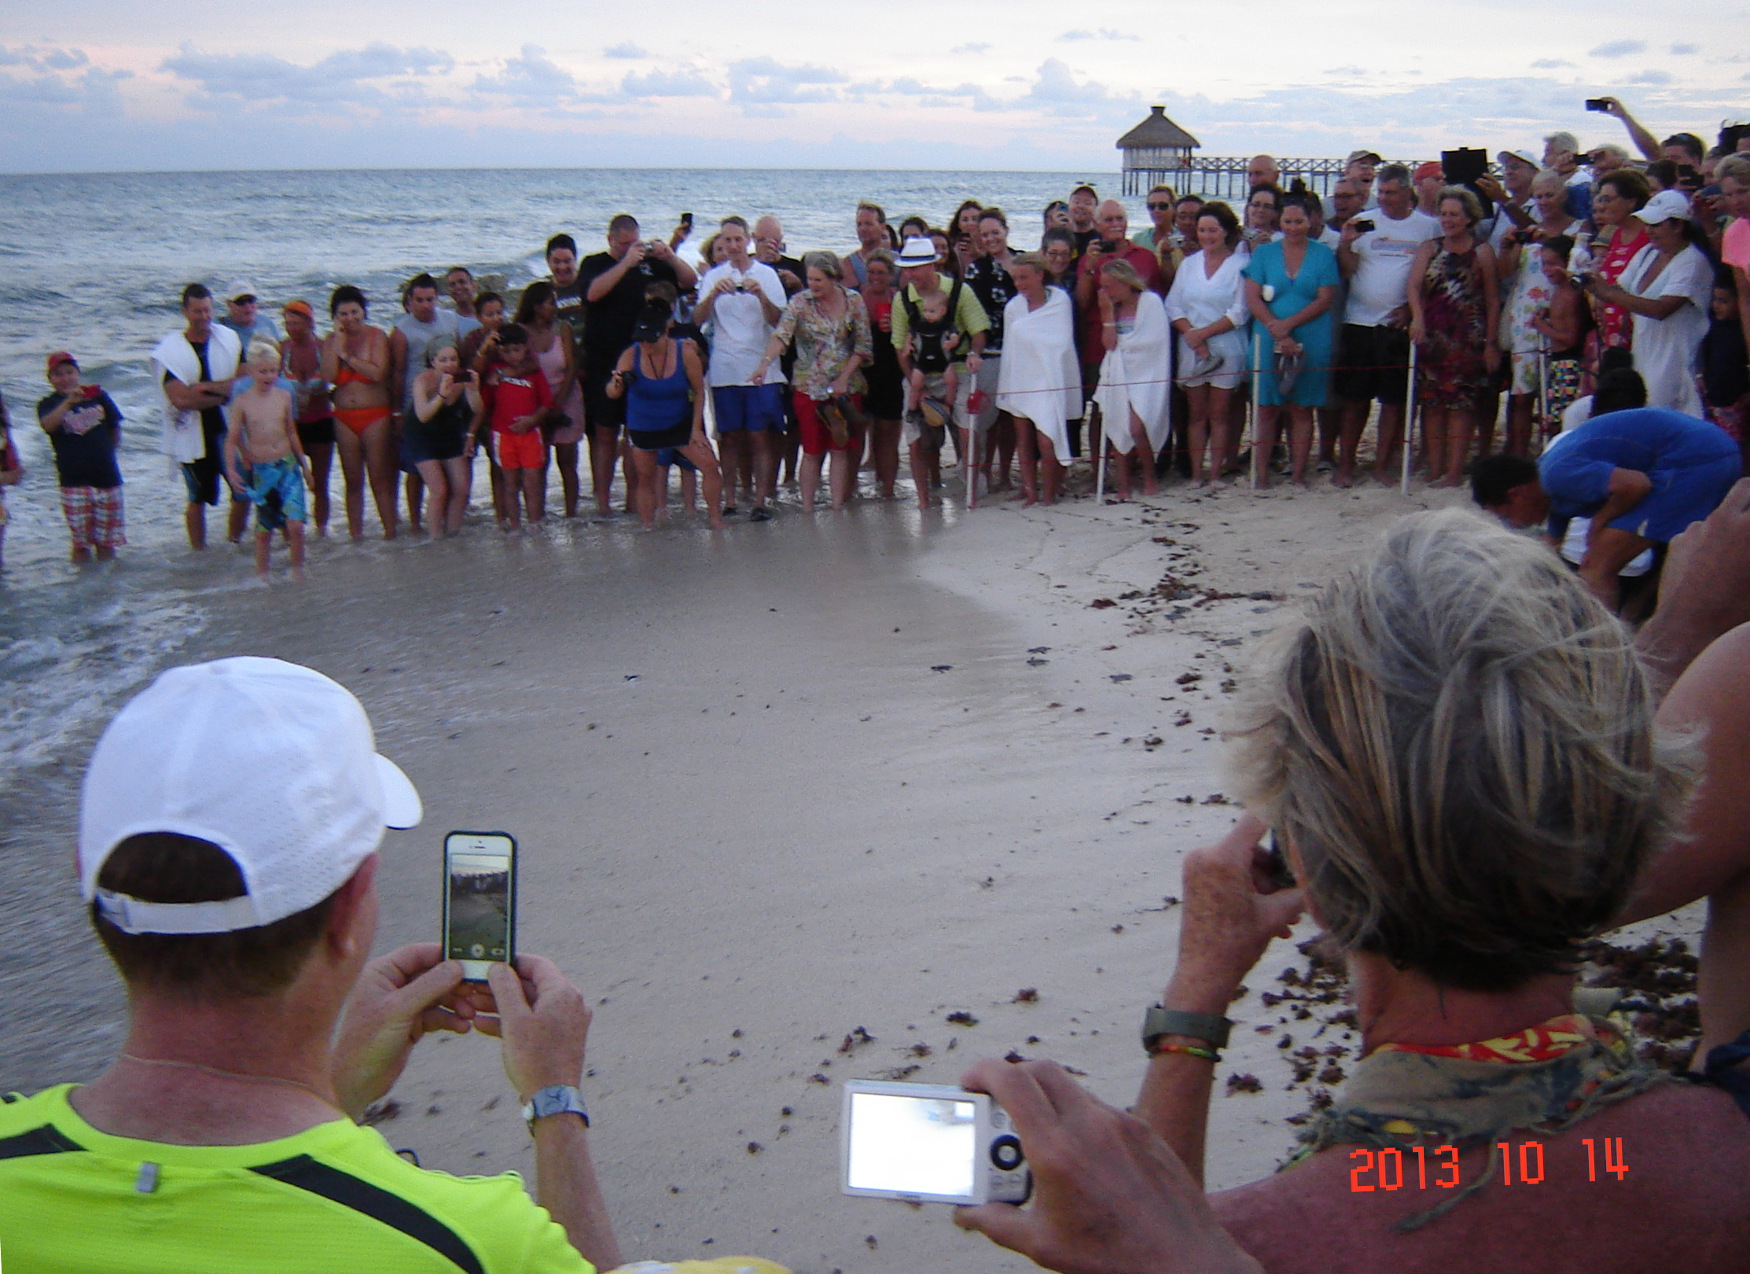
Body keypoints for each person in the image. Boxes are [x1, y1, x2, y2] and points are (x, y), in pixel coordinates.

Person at [0, 655, 621, 1272]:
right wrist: (554, 1099)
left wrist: (336, 1089)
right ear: (349, 908)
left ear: (85, 880)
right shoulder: (471, 1245)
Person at [1540, 401, 1741, 607]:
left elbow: (1636, 485)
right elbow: (1549, 547)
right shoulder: (1549, 490)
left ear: (1520, 493)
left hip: (1694, 460)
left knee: (1596, 565)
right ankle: (1632, 618)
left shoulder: (1554, 475)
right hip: (1705, 449)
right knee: (1647, 556)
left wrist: (1600, 522)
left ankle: (1603, 628)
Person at [579, 215, 696, 516]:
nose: (630, 248)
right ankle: (603, 503)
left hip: (644, 357)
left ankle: (634, 502)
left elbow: (688, 282)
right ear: (610, 240)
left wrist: (670, 256)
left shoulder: (650, 266)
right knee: (605, 433)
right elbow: (592, 294)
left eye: (634, 243)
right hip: (603, 359)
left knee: (636, 435)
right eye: (623, 244)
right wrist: (625, 263)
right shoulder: (595, 263)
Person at [1334, 164, 1440, 484]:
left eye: (1391, 192)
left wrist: (1412, 310)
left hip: (1397, 326)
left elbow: (1434, 277)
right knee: (1354, 400)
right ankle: (1346, 464)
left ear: (1408, 192)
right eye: (1380, 192)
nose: (1383, 198)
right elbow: (1348, 270)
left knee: (1394, 401)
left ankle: (1382, 465)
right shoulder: (1365, 222)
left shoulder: (1428, 227)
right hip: (1359, 322)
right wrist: (1345, 243)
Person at [753, 252, 872, 513]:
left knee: (840, 448)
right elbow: (781, 335)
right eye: (810, 279)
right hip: (809, 386)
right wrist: (765, 363)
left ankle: (837, 506)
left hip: (845, 387)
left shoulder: (853, 300)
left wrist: (844, 378)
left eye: (818, 280)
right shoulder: (799, 302)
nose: (813, 285)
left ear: (833, 278)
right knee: (811, 449)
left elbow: (863, 346)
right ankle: (808, 508)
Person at [608, 286, 725, 530]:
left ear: (665, 332)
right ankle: (648, 526)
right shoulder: (631, 354)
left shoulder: (685, 352)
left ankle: (716, 520)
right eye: (641, 339)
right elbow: (612, 392)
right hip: (643, 423)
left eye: (651, 338)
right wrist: (617, 383)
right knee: (646, 477)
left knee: (710, 466)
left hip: (679, 421)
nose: (645, 344)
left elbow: (699, 391)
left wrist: (696, 429)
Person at [1589, 189, 1714, 416]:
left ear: (1678, 226)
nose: (1649, 231)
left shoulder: (1693, 262)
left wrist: (1607, 293)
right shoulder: (1647, 253)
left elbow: (1661, 309)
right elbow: (1619, 289)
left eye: (1656, 225)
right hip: (1642, 356)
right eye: (1647, 224)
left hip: (1676, 362)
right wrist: (1594, 284)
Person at [1244, 193, 1340, 488]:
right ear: (1280, 221)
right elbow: (1252, 297)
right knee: (1266, 406)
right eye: (1288, 221)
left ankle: (1298, 474)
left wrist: (1288, 326)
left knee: (1302, 406)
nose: (1293, 227)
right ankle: (1260, 473)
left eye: (1299, 221)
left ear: (1310, 221)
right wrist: (1277, 328)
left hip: (1311, 334)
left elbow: (1325, 298)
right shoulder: (1264, 253)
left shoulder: (1323, 254)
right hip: (1267, 333)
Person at [1408, 186, 1501, 486]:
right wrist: (1417, 317)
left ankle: (1453, 472)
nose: (1447, 220)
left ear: (1468, 218)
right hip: (1433, 336)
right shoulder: (1429, 248)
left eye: (1454, 215)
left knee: (1462, 406)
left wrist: (1490, 343)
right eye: (1444, 214)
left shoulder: (1482, 251)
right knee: (1432, 405)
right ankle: (1435, 468)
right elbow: (1413, 287)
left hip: (1467, 337)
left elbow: (1492, 299)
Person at [695, 215, 786, 521]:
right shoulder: (714, 276)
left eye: (738, 239)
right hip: (725, 366)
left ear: (748, 241)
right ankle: (731, 500)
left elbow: (781, 322)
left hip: (762, 366)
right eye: (727, 240)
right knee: (729, 436)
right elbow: (696, 320)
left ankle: (761, 500)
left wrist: (761, 295)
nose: (733, 246)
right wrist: (713, 295)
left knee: (760, 435)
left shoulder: (767, 274)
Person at [889, 237, 990, 495]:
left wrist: (975, 354)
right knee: (916, 439)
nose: (909, 274)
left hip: (957, 368)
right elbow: (900, 348)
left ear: (932, 265)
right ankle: (924, 499)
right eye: (906, 269)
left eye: (915, 268)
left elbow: (979, 332)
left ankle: (971, 490)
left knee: (967, 431)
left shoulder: (960, 291)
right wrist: (915, 384)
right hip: (920, 372)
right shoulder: (902, 299)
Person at [153, 283, 242, 551]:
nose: (204, 316)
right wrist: (222, 394)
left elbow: (243, 381)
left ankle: (234, 544)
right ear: (185, 311)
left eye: (207, 310)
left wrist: (204, 388)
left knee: (242, 490)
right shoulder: (171, 350)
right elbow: (180, 399)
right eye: (197, 311)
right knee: (197, 496)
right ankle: (199, 553)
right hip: (192, 431)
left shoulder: (228, 339)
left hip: (226, 427)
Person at [1166, 202, 1249, 488]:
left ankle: (1215, 473)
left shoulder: (1240, 264)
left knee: (1220, 414)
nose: (1207, 236)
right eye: (1202, 230)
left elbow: (1240, 311)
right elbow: (1173, 305)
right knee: (1196, 415)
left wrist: (1204, 334)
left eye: (1213, 230)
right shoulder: (1189, 264)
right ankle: (1196, 474)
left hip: (1226, 345)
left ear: (1225, 231)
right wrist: (1192, 334)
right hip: (1191, 346)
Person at [1496, 169, 1579, 454]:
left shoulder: (1578, 230)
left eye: (1549, 195)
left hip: (1562, 317)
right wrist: (1507, 247)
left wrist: (1550, 243)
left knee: (1558, 395)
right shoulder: (1527, 231)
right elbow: (1505, 274)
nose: (1544, 202)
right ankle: (1518, 455)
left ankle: (1555, 453)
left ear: (1563, 195)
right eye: (1539, 196)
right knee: (1522, 394)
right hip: (1526, 320)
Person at [996, 252, 1081, 507]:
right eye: (1015, 279)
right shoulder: (1013, 307)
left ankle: (1049, 493)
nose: (1019, 284)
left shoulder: (1060, 300)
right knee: (1023, 437)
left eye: (1024, 277)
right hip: (1021, 376)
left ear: (1040, 275)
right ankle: (1030, 489)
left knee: (1047, 438)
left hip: (1050, 376)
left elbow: (1061, 340)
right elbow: (1011, 346)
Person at [225, 339, 313, 577]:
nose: (269, 376)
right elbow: (232, 438)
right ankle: (262, 576)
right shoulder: (242, 402)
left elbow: (291, 432)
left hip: (288, 465)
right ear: (251, 371)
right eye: (263, 371)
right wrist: (232, 469)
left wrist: (305, 466)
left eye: (273, 371)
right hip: (262, 470)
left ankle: (298, 571)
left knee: (296, 525)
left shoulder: (284, 395)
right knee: (264, 530)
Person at [1076, 202, 1163, 439]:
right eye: (1108, 220)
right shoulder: (1090, 259)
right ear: (1096, 224)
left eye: (1119, 218)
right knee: (1100, 407)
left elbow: (1156, 303)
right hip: (1099, 342)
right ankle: (1098, 461)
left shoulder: (1145, 257)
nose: (1115, 224)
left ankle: (1131, 457)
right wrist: (1089, 268)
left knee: (1138, 406)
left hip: (1139, 346)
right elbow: (1082, 302)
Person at [388, 274, 463, 534]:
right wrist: (397, 411)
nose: (425, 305)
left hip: (449, 401)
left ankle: (446, 522)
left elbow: (457, 357)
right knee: (415, 470)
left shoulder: (449, 319)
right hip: (416, 403)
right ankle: (415, 522)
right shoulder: (401, 330)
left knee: (450, 471)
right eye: (419, 300)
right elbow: (397, 372)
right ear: (409, 301)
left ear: (437, 298)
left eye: (430, 299)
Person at [37, 350, 125, 563]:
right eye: (58, 374)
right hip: (74, 482)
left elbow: (114, 426)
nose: (65, 378)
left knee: (107, 542)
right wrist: (68, 402)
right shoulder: (48, 404)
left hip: (107, 478)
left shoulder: (98, 396)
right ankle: (82, 580)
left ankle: (107, 580)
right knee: (81, 543)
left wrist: (107, 453)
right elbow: (48, 426)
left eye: (69, 372)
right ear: (50, 379)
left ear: (77, 373)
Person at [1093, 260, 1171, 500]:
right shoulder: (1111, 307)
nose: (1105, 291)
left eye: (1109, 286)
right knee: (1118, 423)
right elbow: (1109, 345)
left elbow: (1155, 342)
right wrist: (1107, 315)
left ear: (1125, 283)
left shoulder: (1150, 302)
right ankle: (1123, 484)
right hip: (1118, 372)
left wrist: (1126, 348)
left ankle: (1149, 477)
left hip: (1147, 373)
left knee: (1137, 427)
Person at [515, 280, 584, 517]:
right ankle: (537, 514)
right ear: (536, 307)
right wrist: (542, 406)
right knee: (537, 462)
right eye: (550, 302)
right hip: (533, 399)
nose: (555, 307)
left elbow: (572, 367)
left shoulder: (562, 328)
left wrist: (558, 403)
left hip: (566, 395)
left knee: (568, 459)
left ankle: (572, 514)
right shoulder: (521, 332)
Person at [482, 322, 558, 531]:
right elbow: (486, 404)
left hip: (531, 434)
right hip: (503, 435)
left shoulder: (534, 372)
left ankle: (534, 525)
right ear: (499, 351)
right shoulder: (494, 372)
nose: (512, 355)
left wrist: (532, 420)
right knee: (510, 484)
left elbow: (547, 403)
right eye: (506, 351)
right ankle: (514, 526)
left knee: (532, 483)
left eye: (516, 349)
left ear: (525, 348)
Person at [965, 210, 1020, 491]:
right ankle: (985, 469)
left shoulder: (1023, 261)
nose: (990, 239)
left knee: (1012, 418)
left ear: (1006, 231)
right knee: (989, 417)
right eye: (984, 235)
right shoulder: (977, 269)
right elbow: (971, 314)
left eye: (995, 232)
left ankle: (1006, 473)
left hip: (1021, 351)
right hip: (991, 351)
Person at [406, 335, 481, 538]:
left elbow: (477, 409)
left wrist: (474, 390)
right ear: (433, 362)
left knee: (462, 488)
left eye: (453, 359)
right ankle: (435, 538)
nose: (449, 365)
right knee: (439, 489)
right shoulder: (422, 380)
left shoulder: (462, 378)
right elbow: (423, 415)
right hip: (422, 434)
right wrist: (441, 395)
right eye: (443, 360)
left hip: (450, 432)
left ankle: (453, 533)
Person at [279, 300, 333, 537]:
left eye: (296, 323)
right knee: (288, 483)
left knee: (320, 483)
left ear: (310, 323)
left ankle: (322, 534)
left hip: (320, 420)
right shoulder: (282, 350)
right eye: (287, 323)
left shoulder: (323, 348)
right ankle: (291, 536)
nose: (291, 328)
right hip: (291, 424)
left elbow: (336, 381)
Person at [1585, 169, 1653, 355]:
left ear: (1631, 201)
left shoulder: (1649, 235)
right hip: (1613, 332)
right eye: (1601, 199)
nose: (1603, 206)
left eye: (1608, 200)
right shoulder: (1615, 234)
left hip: (1640, 333)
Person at [858, 250, 907, 500]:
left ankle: (887, 489)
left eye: (881, 273)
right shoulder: (856, 298)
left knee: (887, 432)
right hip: (862, 370)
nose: (875, 277)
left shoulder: (898, 299)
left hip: (890, 371)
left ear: (891, 275)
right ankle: (851, 489)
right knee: (856, 430)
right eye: (871, 272)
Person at [1700, 272, 1749, 470]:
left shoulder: (1743, 333)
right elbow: (1707, 354)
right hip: (1714, 398)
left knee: (1737, 448)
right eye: (1715, 300)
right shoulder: (1715, 327)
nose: (1716, 305)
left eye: (1724, 301)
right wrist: (1701, 376)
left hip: (1737, 401)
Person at [218, 280, 281, 354]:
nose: (247, 306)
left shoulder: (267, 323)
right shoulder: (220, 329)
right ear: (229, 304)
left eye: (250, 300)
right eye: (240, 302)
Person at [1543, 129, 1594, 220]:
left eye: (1547, 154)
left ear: (1565, 155)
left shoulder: (1581, 184)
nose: (1543, 159)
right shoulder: (1549, 181)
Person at [847, 202, 891, 288]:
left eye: (868, 224)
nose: (863, 229)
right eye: (859, 224)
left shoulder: (897, 261)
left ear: (882, 227)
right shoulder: (849, 263)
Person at [1135, 184, 1178, 252]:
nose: (1156, 210)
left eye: (1162, 206)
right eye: (1151, 206)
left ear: (1174, 208)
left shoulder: (1182, 238)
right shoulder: (1139, 240)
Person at [1241, 184, 1282, 253]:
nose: (1261, 210)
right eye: (1256, 205)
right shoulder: (1238, 237)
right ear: (1248, 208)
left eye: (1267, 206)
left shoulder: (1280, 241)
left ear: (1276, 212)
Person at [1068, 185, 1100, 256]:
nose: (1081, 206)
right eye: (1076, 202)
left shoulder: (1099, 239)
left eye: (1087, 203)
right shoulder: (1063, 237)